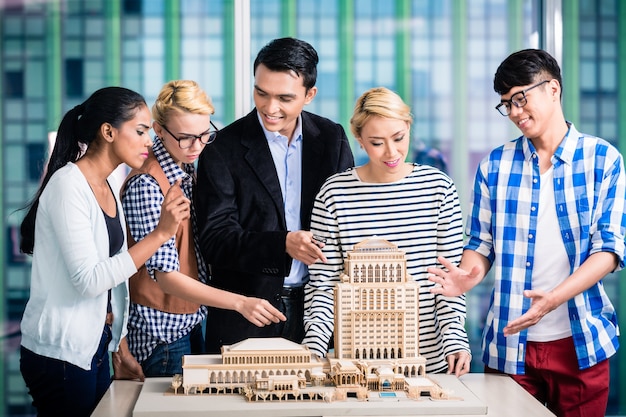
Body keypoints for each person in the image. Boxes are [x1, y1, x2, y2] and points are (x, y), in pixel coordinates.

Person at [428, 49, 625, 417]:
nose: (515, 112)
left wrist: (552, 299)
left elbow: (609, 250)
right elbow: (480, 243)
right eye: (506, 104)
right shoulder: (495, 164)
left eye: (521, 98)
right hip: (510, 342)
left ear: (552, 89)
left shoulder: (603, 159)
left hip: (581, 342)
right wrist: (468, 276)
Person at [18, 87, 190, 417]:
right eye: (140, 131)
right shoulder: (69, 185)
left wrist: (118, 344)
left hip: (94, 347)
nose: (148, 142)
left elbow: (112, 283)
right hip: (61, 354)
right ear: (108, 132)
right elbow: (90, 281)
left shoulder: (106, 185)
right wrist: (162, 233)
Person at [195, 37, 354, 353]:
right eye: (261, 93)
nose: (270, 108)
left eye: (284, 98)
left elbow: (349, 220)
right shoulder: (221, 148)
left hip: (322, 314)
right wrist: (282, 243)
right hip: (247, 314)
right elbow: (214, 240)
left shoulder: (331, 138)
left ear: (310, 95)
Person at [302, 87, 472, 376]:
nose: (391, 153)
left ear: (408, 126)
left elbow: (448, 279)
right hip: (357, 365)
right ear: (359, 140)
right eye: (377, 142)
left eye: (398, 138)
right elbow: (324, 285)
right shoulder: (334, 194)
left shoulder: (438, 188)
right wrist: (314, 347)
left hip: (430, 363)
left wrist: (456, 339)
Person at [120, 80, 285, 377]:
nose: (197, 146)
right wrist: (239, 302)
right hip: (163, 336)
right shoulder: (146, 184)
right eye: (185, 138)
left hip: (191, 321)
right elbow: (167, 278)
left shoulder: (186, 166)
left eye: (204, 134)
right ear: (158, 130)